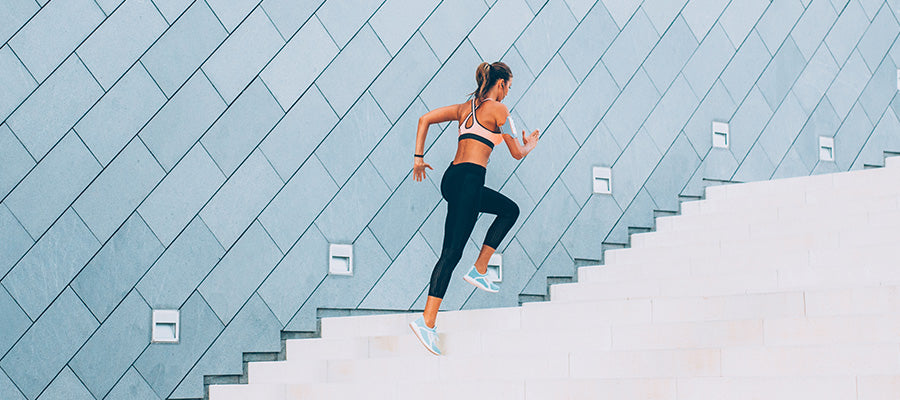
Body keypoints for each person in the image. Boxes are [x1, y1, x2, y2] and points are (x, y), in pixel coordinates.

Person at [408, 61, 540, 355]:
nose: (507, 94)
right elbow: (516, 153)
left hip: (452, 179)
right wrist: (529, 144)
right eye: (508, 87)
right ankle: (427, 321)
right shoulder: (500, 111)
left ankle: (480, 268)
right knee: (452, 253)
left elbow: (424, 119)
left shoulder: (464, 108)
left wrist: (418, 158)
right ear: (501, 83)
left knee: (509, 209)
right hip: (469, 180)